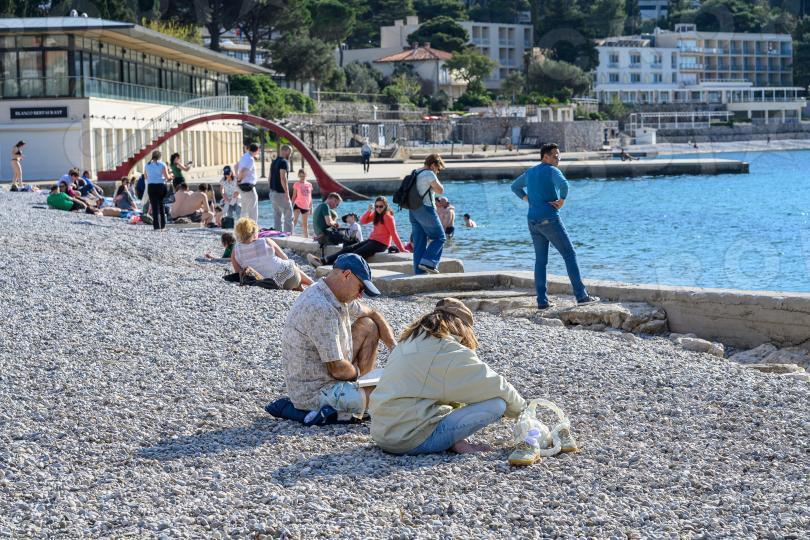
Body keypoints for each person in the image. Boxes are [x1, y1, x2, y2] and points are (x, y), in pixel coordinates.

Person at [369, 298, 526, 455]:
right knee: (497, 404)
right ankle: (449, 441)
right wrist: (523, 413)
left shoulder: (408, 341)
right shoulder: (449, 351)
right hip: (407, 440)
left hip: (382, 433)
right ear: (462, 326)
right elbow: (496, 385)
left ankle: (455, 442)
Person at [281, 253, 396, 416]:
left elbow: (373, 313)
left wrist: (394, 348)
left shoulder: (332, 294)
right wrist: (360, 378)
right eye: (361, 288)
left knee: (369, 325)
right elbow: (338, 370)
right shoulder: (321, 308)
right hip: (314, 394)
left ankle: (363, 386)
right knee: (390, 398)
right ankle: (363, 389)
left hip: (330, 375)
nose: (360, 295)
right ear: (347, 275)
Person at [511, 142, 599, 309]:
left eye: (559, 156)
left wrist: (528, 199)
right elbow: (564, 185)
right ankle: (582, 296)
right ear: (545, 157)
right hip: (549, 219)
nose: (558, 159)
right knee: (569, 254)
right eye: (555, 156)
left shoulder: (530, 172)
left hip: (532, 220)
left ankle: (542, 302)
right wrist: (562, 200)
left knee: (540, 261)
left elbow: (515, 187)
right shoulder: (552, 170)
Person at [307, 196, 407, 267]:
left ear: (386, 206)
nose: (378, 208)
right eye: (377, 206)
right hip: (372, 240)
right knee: (348, 248)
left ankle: (334, 265)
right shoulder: (377, 214)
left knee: (356, 253)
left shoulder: (388, 217)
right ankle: (323, 260)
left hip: (381, 244)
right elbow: (363, 221)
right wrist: (369, 211)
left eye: (381, 206)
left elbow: (394, 234)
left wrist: (402, 248)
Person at [230, 217, 313, 290]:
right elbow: (285, 258)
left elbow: (239, 273)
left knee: (287, 272)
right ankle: (311, 283)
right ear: (254, 232)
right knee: (290, 266)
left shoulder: (235, 251)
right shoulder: (266, 241)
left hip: (271, 284)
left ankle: (301, 287)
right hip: (291, 276)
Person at [409, 154, 447, 275]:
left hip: (413, 210)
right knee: (440, 237)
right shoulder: (429, 174)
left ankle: (419, 272)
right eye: (438, 168)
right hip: (425, 209)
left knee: (419, 242)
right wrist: (435, 176)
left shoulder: (415, 172)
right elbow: (440, 190)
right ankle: (429, 262)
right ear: (433, 165)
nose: (438, 171)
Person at [269, 144, 294, 233]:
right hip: (281, 193)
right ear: (285, 151)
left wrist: (271, 190)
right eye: (290, 152)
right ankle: (288, 235)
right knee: (289, 215)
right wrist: (287, 193)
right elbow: (283, 178)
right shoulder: (284, 162)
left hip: (273, 192)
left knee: (277, 216)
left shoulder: (274, 161)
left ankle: (278, 235)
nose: (290, 154)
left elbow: (269, 177)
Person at [145, 150, 172, 230]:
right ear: (160, 156)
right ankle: (163, 226)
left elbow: (146, 177)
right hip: (160, 185)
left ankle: (156, 226)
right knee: (161, 206)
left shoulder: (147, 165)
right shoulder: (162, 164)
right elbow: (167, 177)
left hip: (151, 186)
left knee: (154, 206)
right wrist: (171, 176)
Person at [237, 143, 260, 222]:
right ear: (257, 150)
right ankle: (253, 227)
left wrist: (238, 181)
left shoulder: (243, 157)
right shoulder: (250, 159)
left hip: (242, 186)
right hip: (249, 187)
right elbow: (244, 171)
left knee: (244, 209)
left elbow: (236, 166)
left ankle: (242, 226)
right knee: (253, 210)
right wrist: (239, 180)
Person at [292, 169, 313, 238]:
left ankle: (306, 237)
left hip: (306, 206)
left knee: (305, 224)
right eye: (301, 176)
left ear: (306, 175)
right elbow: (294, 196)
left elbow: (310, 197)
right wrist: (291, 205)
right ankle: (290, 234)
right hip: (298, 204)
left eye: (303, 176)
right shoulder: (296, 184)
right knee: (294, 221)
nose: (302, 178)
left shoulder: (309, 184)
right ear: (298, 176)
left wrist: (311, 207)